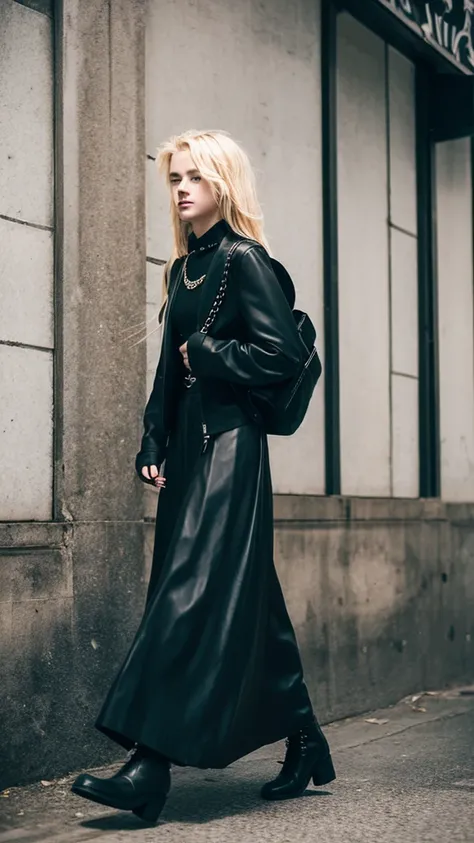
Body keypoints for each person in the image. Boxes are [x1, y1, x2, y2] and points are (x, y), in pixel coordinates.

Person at [71, 130, 335, 823]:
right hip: (189, 450)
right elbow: (168, 368)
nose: (182, 188)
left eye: (195, 176)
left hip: (233, 449)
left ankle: (147, 767)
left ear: (224, 183)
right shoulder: (183, 267)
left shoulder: (246, 261)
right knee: (242, 598)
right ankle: (305, 740)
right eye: (174, 178)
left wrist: (211, 352)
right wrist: (152, 436)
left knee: (186, 595)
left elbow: (278, 355)